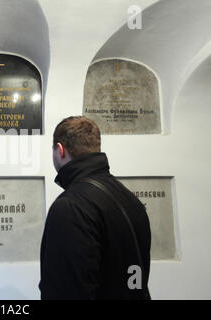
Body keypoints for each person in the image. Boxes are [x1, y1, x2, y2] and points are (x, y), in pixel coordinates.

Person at [39, 116, 151, 300]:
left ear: (60, 150)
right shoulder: (130, 199)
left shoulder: (70, 206)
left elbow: (65, 291)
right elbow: (136, 280)